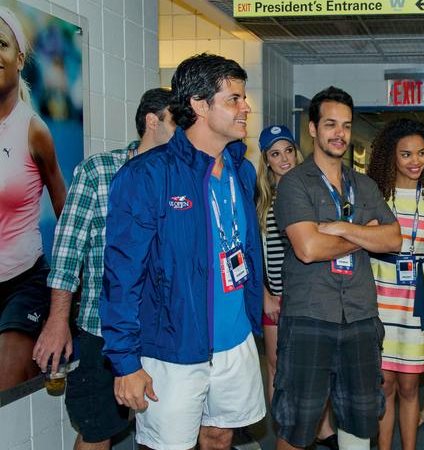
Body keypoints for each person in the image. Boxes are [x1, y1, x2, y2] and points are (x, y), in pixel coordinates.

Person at [99, 53, 266, 450]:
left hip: (235, 340)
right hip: (173, 346)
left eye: (244, 99)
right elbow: (121, 275)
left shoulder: (242, 171)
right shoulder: (148, 175)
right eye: (234, 99)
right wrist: (125, 362)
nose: (245, 108)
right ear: (197, 105)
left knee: (221, 436)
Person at [31, 88, 174, 450]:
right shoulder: (100, 171)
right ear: (152, 122)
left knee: (167, 431)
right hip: (103, 330)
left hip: (166, 332)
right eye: (178, 121)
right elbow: (67, 249)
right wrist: (57, 320)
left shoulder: (182, 179)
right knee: (98, 430)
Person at [272, 86, 402, 450]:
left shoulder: (365, 185)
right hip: (310, 317)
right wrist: (365, 234)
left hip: (360, 317)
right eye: (330, 124)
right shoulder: (294, 184)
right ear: (313, 128)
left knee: (361, 422)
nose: (339, 134)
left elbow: (393, 239)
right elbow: (309, 247)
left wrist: (343, 229)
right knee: (297, 425)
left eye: (346, 126)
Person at [366, 118, 424, 450]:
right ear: (391, 156)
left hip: (418, 300)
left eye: (421, 153)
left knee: (408, 386)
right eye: (406, 154)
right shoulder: (375, 195)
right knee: (384, 385)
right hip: (379, 296)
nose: (415, 161)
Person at [255, 124, 338, 449]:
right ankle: (286, 431)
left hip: (306, 297)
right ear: (267, 160)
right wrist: (265, 295)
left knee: (317, 367)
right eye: (275, 154)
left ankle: (324, 428)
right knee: (277, 367)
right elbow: (250, 254)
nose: (284, 159)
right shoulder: (259, 201)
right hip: (274, 298)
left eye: (288, 150)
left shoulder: (311, 191)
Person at [0, 6, 66, 391]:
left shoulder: (32, 129)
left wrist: (77, 280)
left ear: (19, 58)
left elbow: (65, 209)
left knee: (7, 383)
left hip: (24, 280)